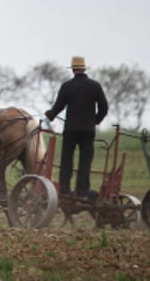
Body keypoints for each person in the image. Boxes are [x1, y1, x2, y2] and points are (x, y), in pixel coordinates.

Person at [44, 56, 109, 199]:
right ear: (84, 69)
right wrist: (96, 120)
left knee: (67, 159)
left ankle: (65, 190)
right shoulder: (95, 86)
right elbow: (104, 107)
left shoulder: (67, 86)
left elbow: (59, 106)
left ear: (73, 69)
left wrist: (50, 115)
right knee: (85, 161)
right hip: (87, 130)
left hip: (71, 130)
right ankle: (82, 192)